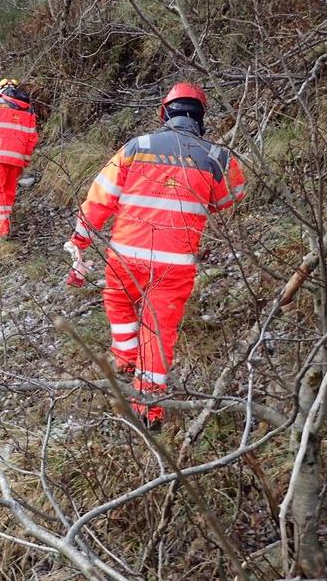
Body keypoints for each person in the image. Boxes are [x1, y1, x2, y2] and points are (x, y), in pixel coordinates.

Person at [64, 82, 246, 426]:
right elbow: (232, 195)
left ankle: (124, 357)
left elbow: (99, 199)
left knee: (118, 302)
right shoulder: (217, 156)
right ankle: (149, 410)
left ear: (165, 113)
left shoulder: (137, 147)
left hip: (125, 258)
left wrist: (80, 241)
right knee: (158, 334)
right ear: (200, 117)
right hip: (175, 266)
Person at [0, 78, 39, 239]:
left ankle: (1, 231)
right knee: (9, 192)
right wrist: (25, 159)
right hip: (17, 159)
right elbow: (32, 137)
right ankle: (6, 224)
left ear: (1, 89)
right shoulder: (28, 110)